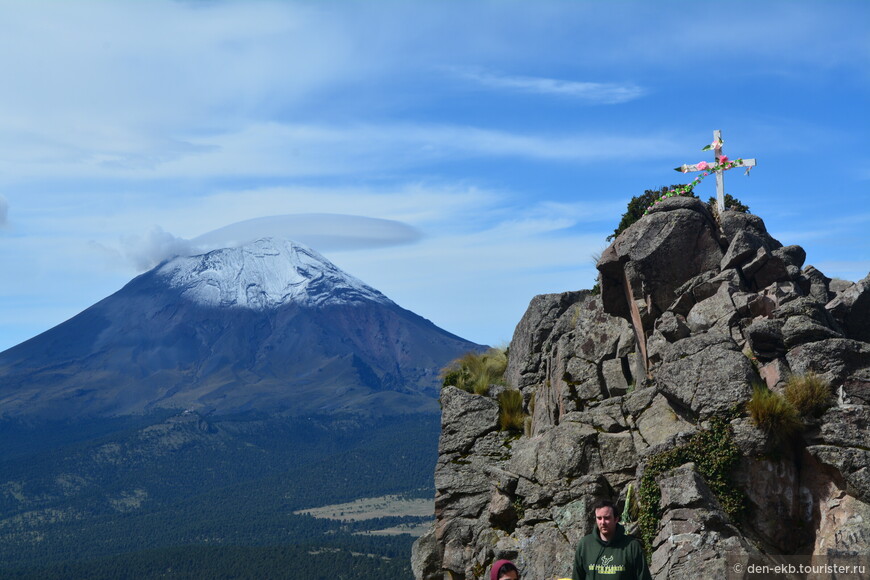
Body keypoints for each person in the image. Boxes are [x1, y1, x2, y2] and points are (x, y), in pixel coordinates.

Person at [571, 499, 652, 580]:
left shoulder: (632, 546)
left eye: (607, 518)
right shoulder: (585, 544)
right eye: (599, 518)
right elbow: (577, 577)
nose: (602, 522)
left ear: (616, 519)